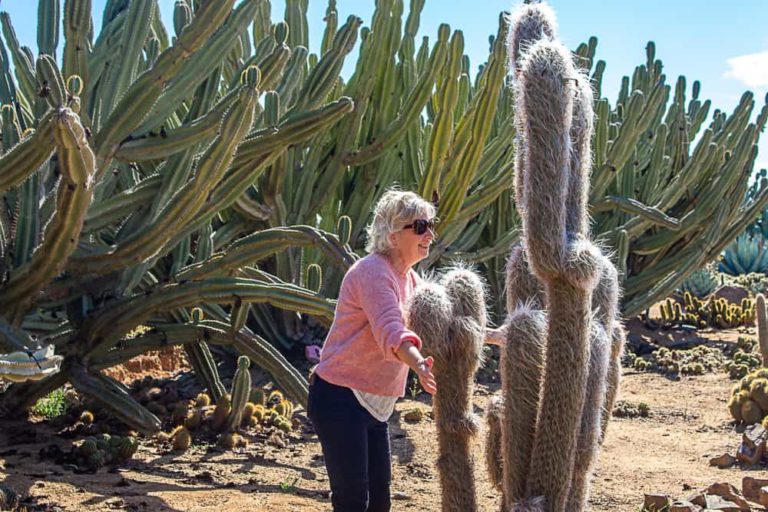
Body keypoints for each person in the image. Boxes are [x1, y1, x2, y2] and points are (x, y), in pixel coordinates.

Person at [307, 189, 438, 512]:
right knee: (353, 502)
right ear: (394, 236)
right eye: (420, 227)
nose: (430, 234)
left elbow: (446, 323)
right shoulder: (372, 273)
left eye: (432, 225)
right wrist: (419, 364)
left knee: (379, 503)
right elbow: (391, 330)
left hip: (374, 406)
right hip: (340, 399)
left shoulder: (410, 280)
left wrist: (496, 336)